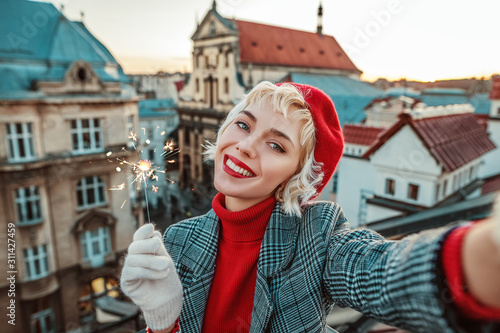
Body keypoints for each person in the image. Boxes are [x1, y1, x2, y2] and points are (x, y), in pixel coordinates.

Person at [120, 81, 500, 333]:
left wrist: (488, 251)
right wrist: (160, 321)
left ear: (298, 176)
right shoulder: (181, 239)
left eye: (277, 145)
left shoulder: (316, 234)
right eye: (243, 124)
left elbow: (381, 274)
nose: (247, 145)